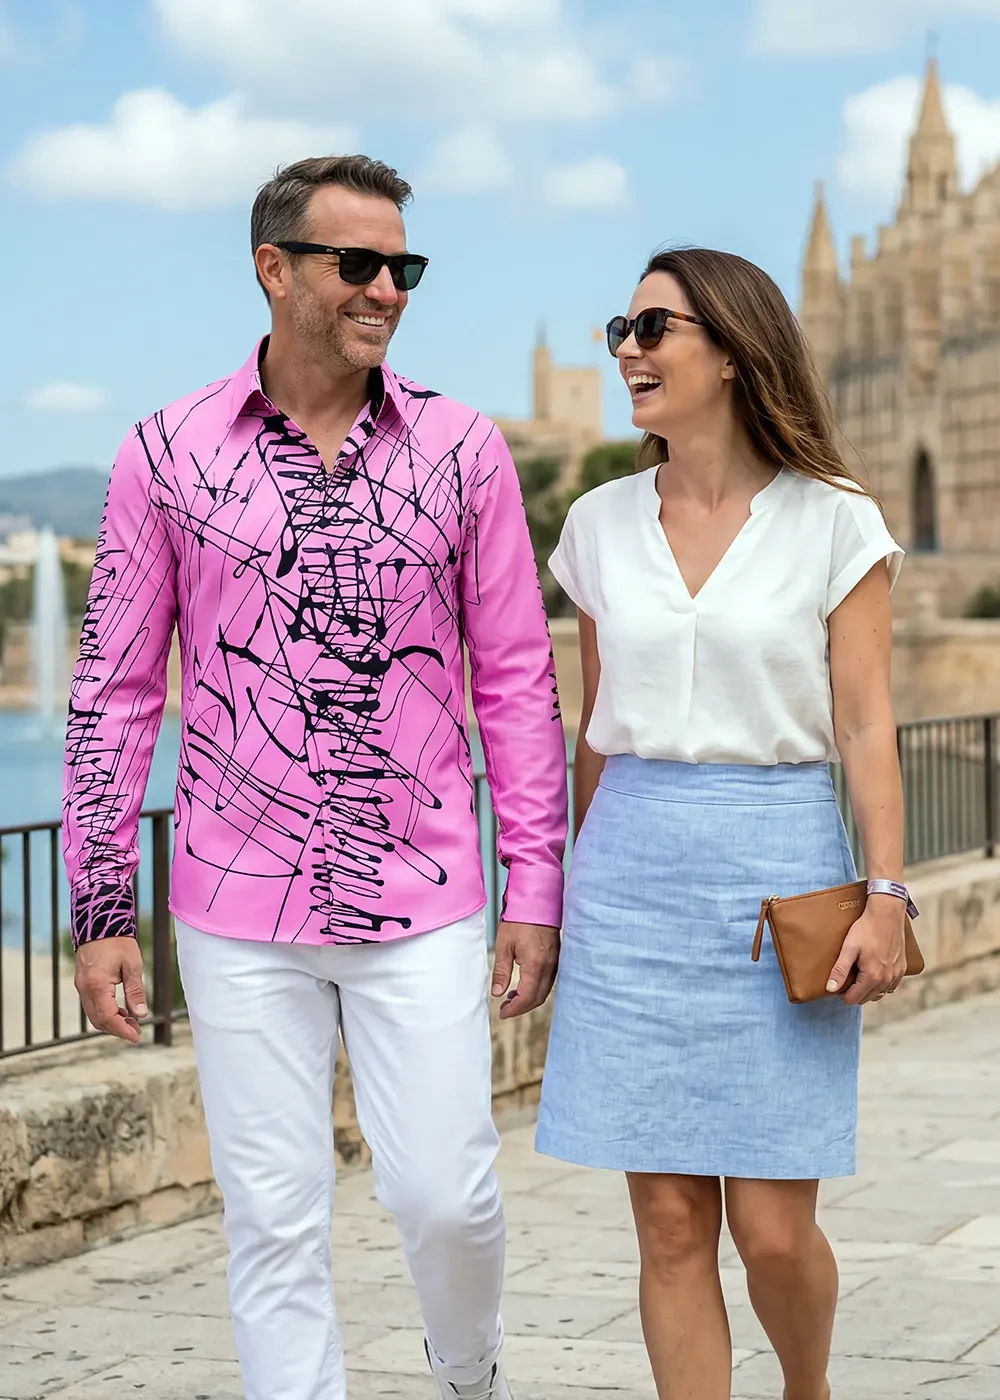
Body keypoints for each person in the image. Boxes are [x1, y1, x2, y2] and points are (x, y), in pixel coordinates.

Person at [63, 155, 568, 1400]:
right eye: (358, 262)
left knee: (443, 1193)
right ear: (272, 267)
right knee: (273, 1212)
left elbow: (513, 677)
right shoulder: (163, 453)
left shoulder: (463, 450)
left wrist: (536, 883)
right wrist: (98, 904)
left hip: (427, 888)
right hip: (235, 902)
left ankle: (470, 1372)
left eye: (404, 265)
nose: (387, 288)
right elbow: (117, 689)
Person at [534, 247, 908, 1400]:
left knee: (774, 1228)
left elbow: (861, 724)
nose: (629, 350)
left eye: (655, 327)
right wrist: (553, 900)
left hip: (778, 873)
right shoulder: (597, 524)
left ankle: (808, 1386)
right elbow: (594, 728)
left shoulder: (834, 519)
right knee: (667, 1222)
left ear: (736, 352)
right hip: (631, 879)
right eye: (621, 328)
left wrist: (886, 893)